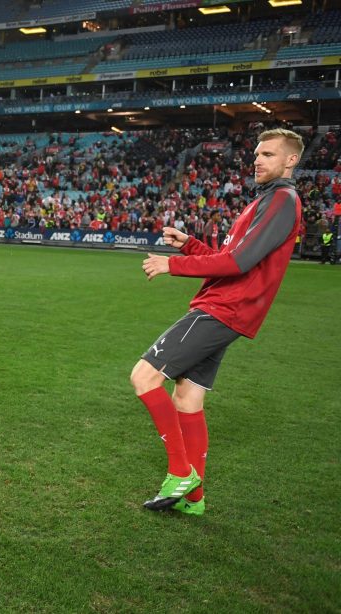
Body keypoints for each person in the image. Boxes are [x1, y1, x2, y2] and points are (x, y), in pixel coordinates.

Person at [131, 128, 303, 516]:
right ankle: (194, 500)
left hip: (222, 309)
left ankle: (180, 473)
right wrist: (190, 244)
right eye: (257, 153)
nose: (258, 160)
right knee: (187, 398)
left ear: (291, 160)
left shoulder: (282, 199)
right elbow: (231, 258)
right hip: (229, 308)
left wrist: (171, 264)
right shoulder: (266, 200)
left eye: (270, 154)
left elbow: (238, 264)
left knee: (144, 377)